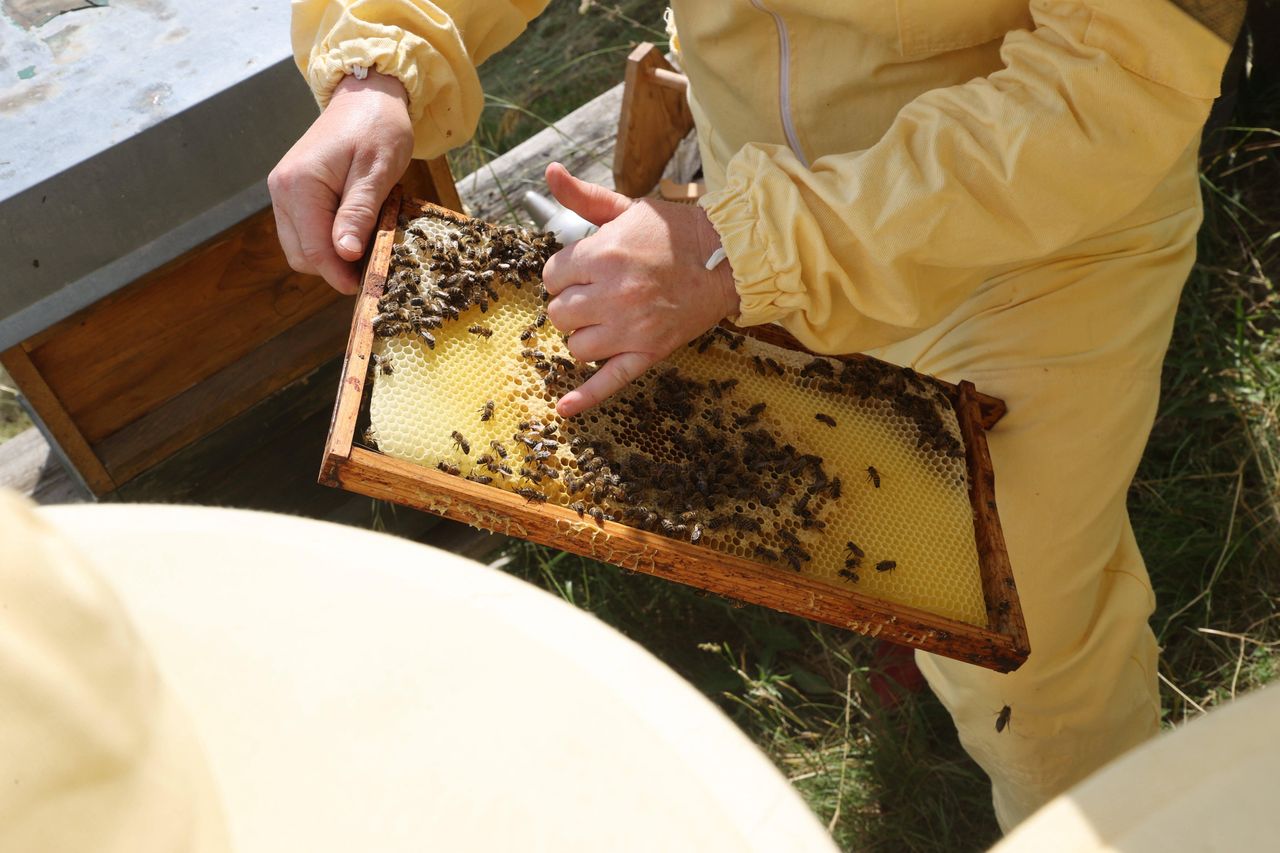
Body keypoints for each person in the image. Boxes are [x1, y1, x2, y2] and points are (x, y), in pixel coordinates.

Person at [272, 0, 1243, 832]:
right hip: (747, 190)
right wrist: (379, 58)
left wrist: (739, 247)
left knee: (1029, 650)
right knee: (862, 512)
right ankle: (906, 632)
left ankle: (1097, 825)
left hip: (1025, 241)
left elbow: (1114, 81)